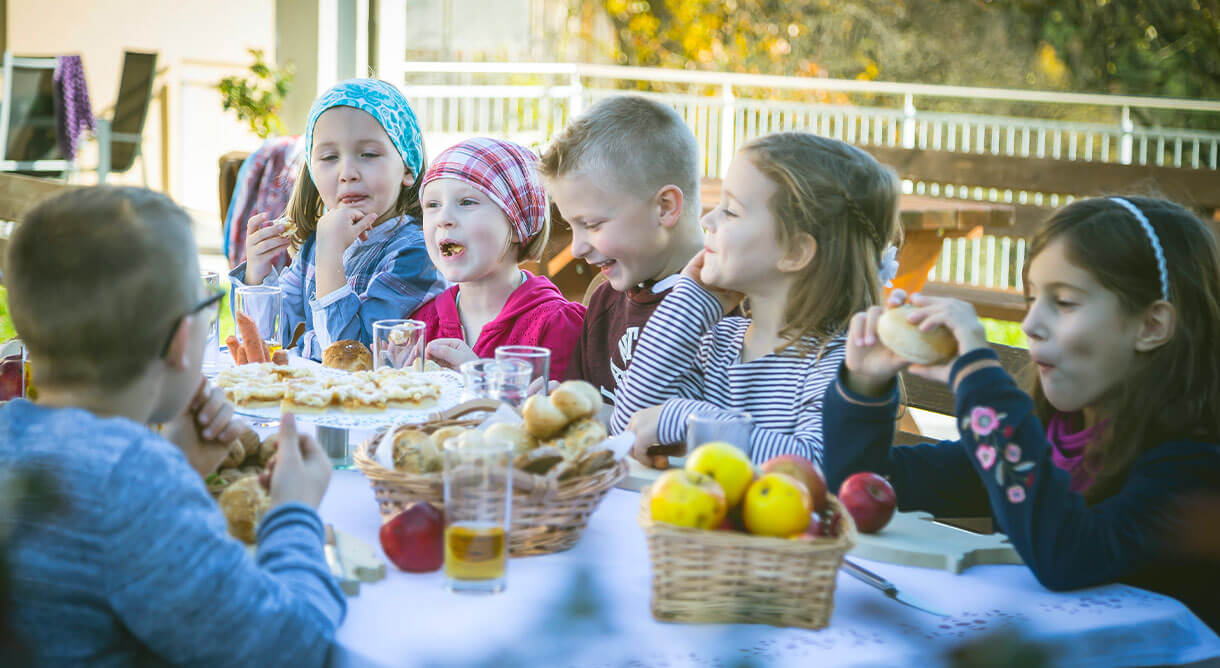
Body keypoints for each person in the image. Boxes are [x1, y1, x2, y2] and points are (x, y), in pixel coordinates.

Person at [825, 195, 1220, 629]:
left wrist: (981, 381)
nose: (1030, 324)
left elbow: (1066, 557)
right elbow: (863, 489)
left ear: (1151, 326)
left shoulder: (1192, 467)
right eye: (1031, 300)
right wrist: (865, 386)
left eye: (1064, 302)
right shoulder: (1049, 439)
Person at [0, 186, 344, 665]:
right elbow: (291, 643)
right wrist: (294, 514)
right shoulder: (133, 479)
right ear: (185, 339)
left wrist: (178, 465)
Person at [614, 133, 902, 466]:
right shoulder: (716, 344)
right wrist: (689, 303)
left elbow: (819, 466)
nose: (707, 220)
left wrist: (688, 420)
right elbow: (631, 430)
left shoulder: (838, 364)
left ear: (795, 252)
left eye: (731, 212)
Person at [232, 78, 445, 360]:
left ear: (407, 166)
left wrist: (330, 256)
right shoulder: (314, 248)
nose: (347, 172)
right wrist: (257, 279)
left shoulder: (418, 256)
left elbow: (354, 360)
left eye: (368, 154)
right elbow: (262, 345)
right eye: (329, 157)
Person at [539, 95, 705, 408]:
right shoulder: (603, 298)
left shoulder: (727, 310)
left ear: (664, 207)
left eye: (592, 224)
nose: (577, 248)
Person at [410, 137, 584, 378]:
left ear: (515, 224)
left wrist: (481, 378)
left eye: (467, 202)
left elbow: (557, 414)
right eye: (432, 205)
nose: (443, 218)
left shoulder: (555, 325)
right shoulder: (422, 322)